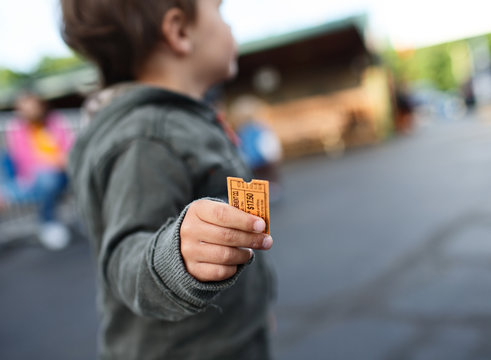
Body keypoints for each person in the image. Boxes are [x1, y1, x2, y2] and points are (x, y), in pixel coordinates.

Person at [60, 0, 276, 359]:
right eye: (220, 10)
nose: (231, 25)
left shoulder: (184, 121)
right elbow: (124, 254)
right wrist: (176, 255)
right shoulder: (147, 137)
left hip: (234, 337)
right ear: (178, 31)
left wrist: (254, 312)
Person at [0, 92, 73, 250]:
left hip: (63, 173)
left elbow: (69, 148)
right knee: (46, 179)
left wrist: (61, 160)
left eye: (33, 107)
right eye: (25, 108)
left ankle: (55, 222)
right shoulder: (17, 128)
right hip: (35, 178)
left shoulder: (54, 121)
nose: (30, 111)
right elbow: (24, 160)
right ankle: (48, 222)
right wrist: (54, 161)